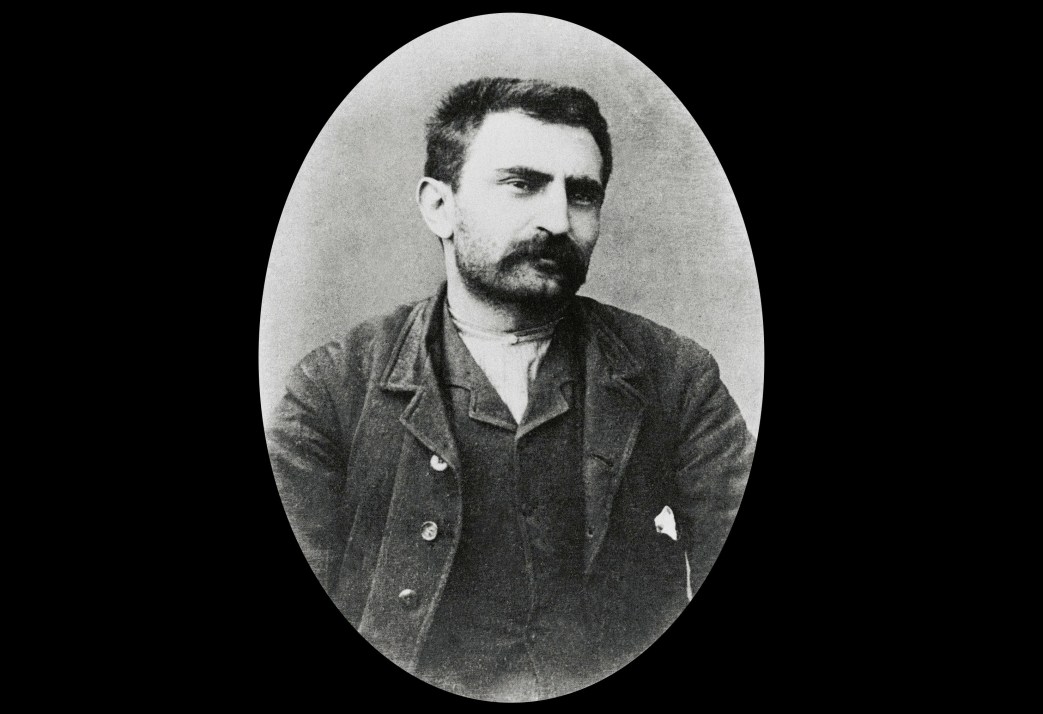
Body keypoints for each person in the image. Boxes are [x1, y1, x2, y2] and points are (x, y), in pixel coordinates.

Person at [265, 77, 756, 702]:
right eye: (522, 184)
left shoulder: (676, 377)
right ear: (439, 206)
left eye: (582, 194)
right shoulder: (331, 391)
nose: (558, 220)